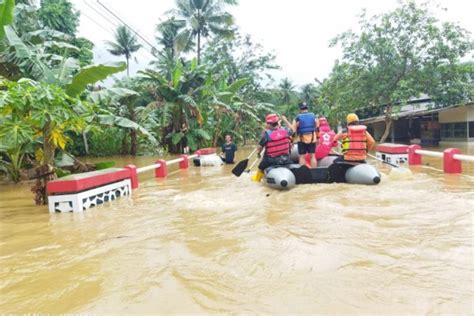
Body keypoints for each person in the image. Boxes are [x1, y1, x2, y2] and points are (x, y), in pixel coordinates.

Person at [251, 114, 293, 182]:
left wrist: (258, 154)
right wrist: (285, 120)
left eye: (267, 124)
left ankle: (257, 180)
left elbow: (259, 147)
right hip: (286, 159)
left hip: (272, 160)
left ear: (269, 124)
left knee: (260, 166)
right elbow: (292, 130)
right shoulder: (285, 130)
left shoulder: (267, 134)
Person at [282, 102, 319, 167]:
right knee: (312, 156)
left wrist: (286, 121)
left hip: (301, 139)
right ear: (307, 108)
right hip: (313, 138)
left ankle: (303, 173)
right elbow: (317, 127)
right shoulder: (313, 116)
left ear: (300, 109)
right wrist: (318, 138)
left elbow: (293, 130)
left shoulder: (298, 118)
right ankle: (314, 172)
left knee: (302, 157)